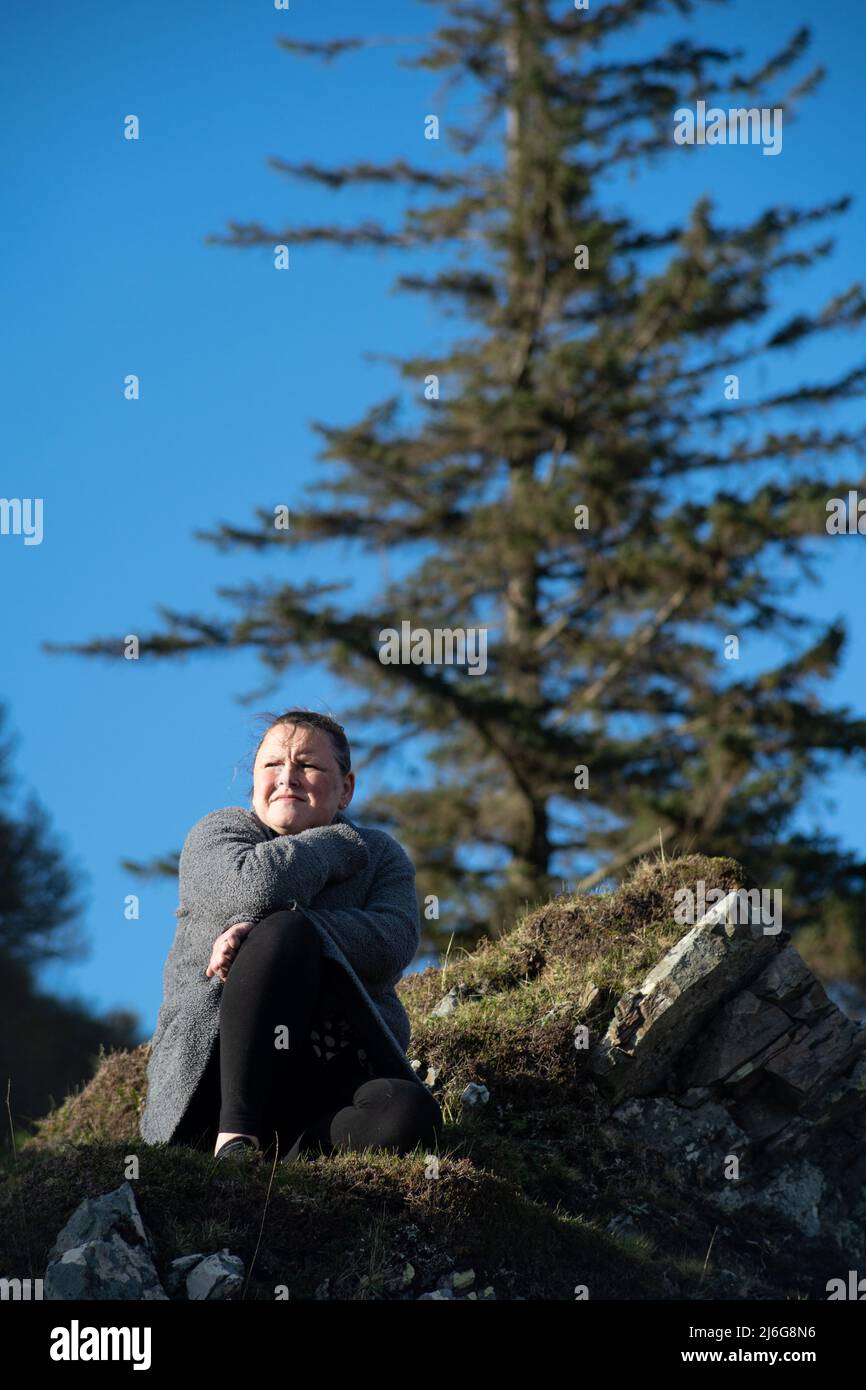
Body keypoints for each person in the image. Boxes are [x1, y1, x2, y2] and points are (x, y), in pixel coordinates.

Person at [139, 709, 443, 1165]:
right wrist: (333, 845)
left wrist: (292, 926)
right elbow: (253, 885)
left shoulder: (380, 856)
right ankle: (234, 1142)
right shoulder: (221, 833)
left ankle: (288, 1158)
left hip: (329, 1077)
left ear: (347, 789)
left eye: (308, 765)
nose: (288, 777)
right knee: (284, 933)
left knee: (410, 1114)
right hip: (214, 1083)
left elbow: (393, 941)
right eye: (272, 765)